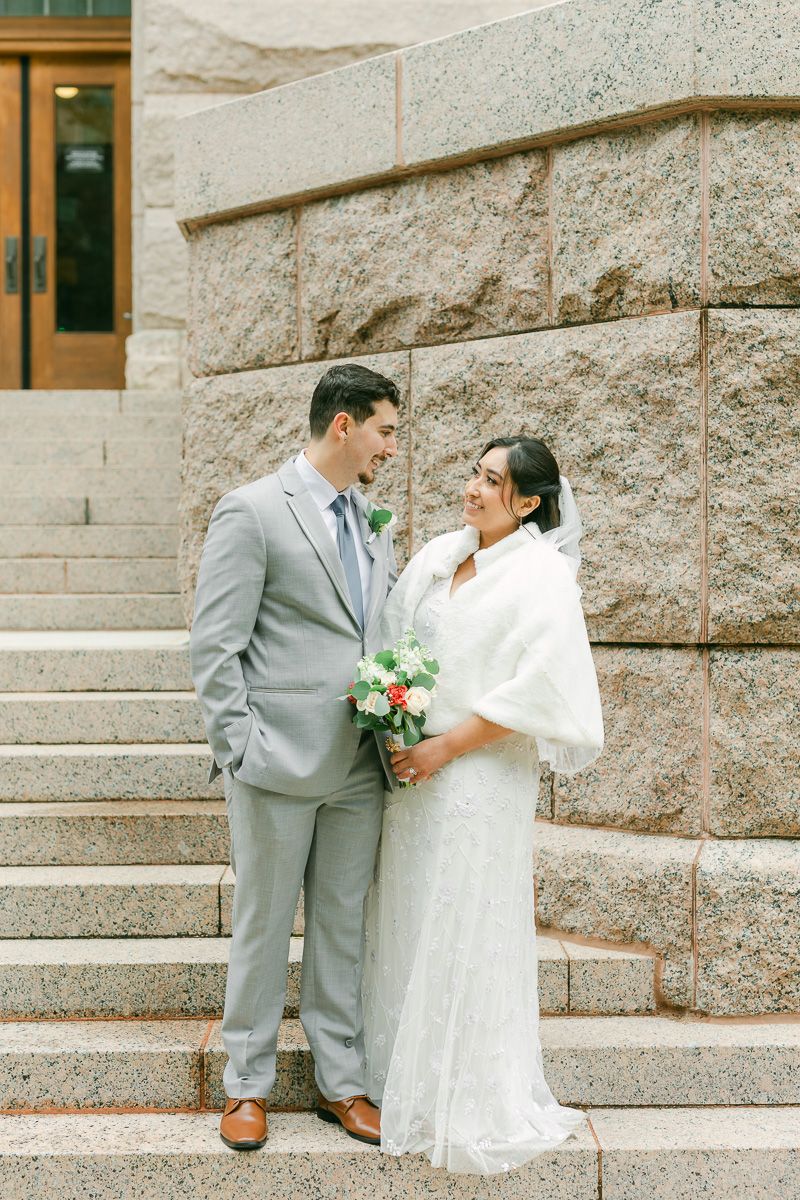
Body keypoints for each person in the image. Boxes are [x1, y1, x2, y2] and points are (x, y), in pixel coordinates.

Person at [362, 435, 604, 1175]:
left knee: (466, 919)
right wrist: (396, 721)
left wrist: (444, 748)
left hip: (479, 775)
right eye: (475, 471)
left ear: (528, 502)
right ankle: (395, 1079)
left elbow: (541, 691)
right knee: (408, 915)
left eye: (492, 481)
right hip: (416, 777)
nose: (473, 487)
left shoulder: (541, 577)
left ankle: (465, 1092)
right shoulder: (440, 554)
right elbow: (396, 647)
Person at [190, 362, 401, 1150]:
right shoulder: (251, 511)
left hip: (359, 764)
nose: (390, 448)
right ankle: (246, 1085)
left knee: (343, 925)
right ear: (342, 425)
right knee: (263, 924)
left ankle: (339, 1082)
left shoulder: (372, 518)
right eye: (384, 430)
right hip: (275, 763)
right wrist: (240, 748)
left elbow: (367, 631)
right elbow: (215, 645)